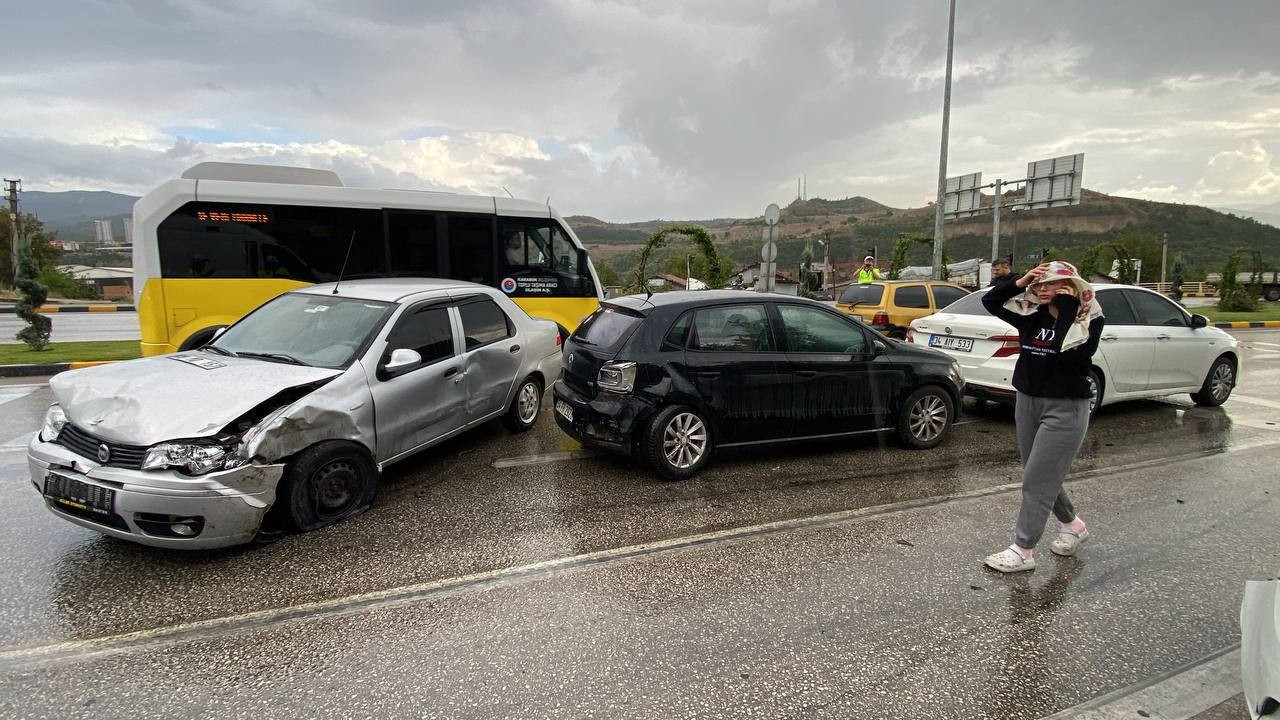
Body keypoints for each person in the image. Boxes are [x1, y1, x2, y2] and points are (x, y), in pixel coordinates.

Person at [980, 260, 1105, 573]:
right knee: (1039, 473)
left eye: (1052, 284)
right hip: (1028, 402)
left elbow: (1066, 346)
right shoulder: (1031, 318)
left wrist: (1066, 303)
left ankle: (1024, 549)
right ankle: (1073, 525)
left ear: (1071, 286)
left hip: (1065, 409)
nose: (1043, 289)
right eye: (1040, 284)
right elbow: (990, 301)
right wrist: (1020, 282)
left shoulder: (1087, 322)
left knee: (1037, 481)